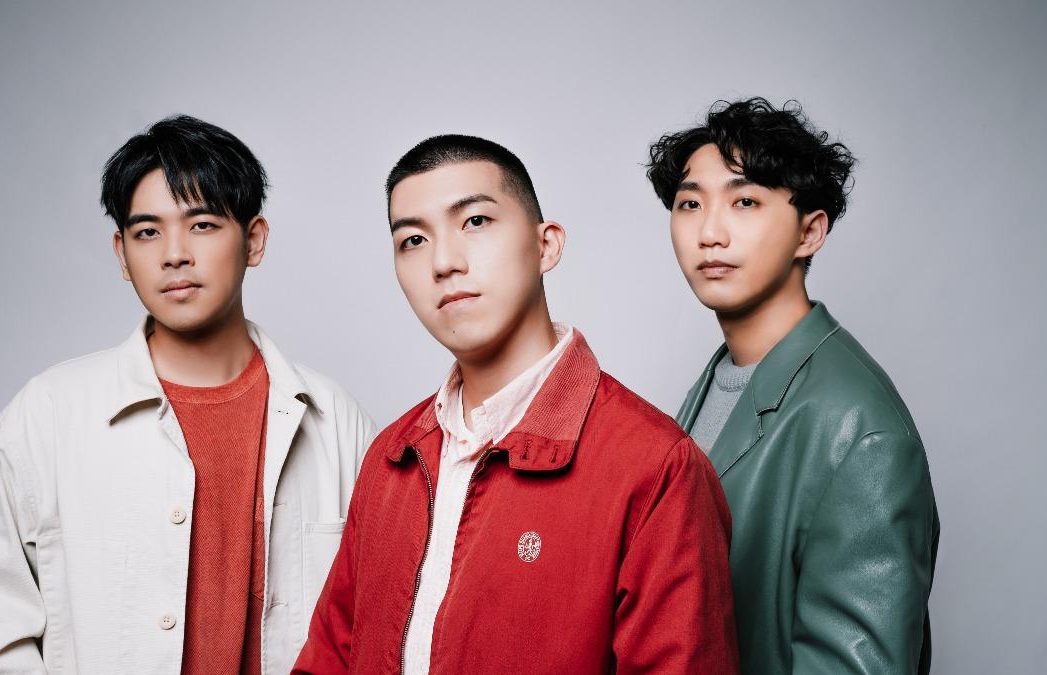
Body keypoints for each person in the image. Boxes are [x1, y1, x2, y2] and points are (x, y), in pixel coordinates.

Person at [0, 115, 375, 674]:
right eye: (147, 232)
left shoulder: (337, 422)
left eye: (202, 225)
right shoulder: (49, 415)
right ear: (121, 254)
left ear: (254, 240)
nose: (174, 254)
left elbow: (381, 623)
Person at [295, 134, 738, 674]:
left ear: (546, 245)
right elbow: (328, 657)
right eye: (413, 240)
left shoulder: (655, 466)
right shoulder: (391, 456)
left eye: (475, 221)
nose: (444, 262)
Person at [647, 97, 940, 673]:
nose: (709, 232)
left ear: (809, 232)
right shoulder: (716, 382)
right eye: (690, 203)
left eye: (745, 201)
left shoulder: (863, 433)